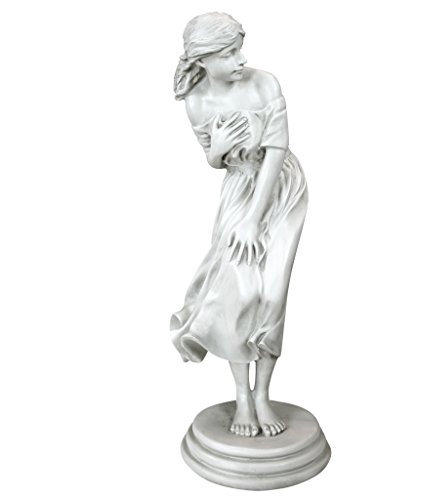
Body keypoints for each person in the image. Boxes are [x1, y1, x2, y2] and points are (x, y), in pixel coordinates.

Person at [171, 12, 308, 438]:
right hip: (238, 189)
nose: (241, 60)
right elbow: (215, 161)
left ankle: (262, 394)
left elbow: (276, 150)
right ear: (202, 59)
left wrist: (254, 219)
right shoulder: (196, 102)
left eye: (239, 50)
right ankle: (242, 397)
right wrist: (219, 150)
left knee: (271, 294)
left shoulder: (264, 84)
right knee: (237, 292)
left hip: (280, 190)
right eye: (228, 54)